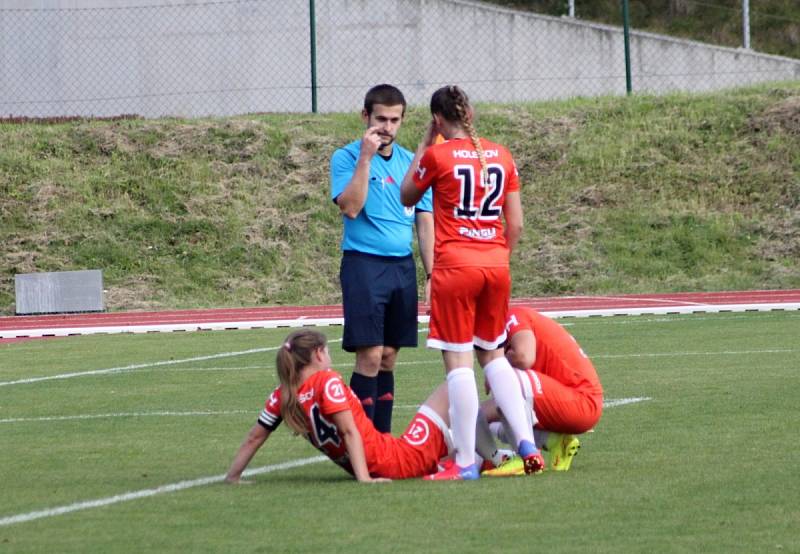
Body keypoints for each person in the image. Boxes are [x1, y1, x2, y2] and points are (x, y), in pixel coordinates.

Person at [400, 85, 541, 480]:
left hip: (455, 268)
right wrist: (497, 256)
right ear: (471, 114)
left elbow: (406, 195)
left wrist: (426, 142)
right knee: (492, 356)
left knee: (459, 363)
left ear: (438, 120)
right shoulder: (501, 154)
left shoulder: (437, 154)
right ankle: (526, 441)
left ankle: (464, 462)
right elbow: (516, 224)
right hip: (495, 266)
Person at [330, 84, 434, 434]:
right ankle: (360, 442)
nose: (387, 127)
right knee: (370, 355)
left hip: (401, 268)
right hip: (364, 264)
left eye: (394, 120)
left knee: (389, 356)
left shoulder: (410, 163)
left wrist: (432, 274)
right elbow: (351, 206)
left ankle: (383, 440)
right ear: (365, 117)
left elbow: (424, 220)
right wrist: (365, 158)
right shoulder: (345, 157)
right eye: (380, 119)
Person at [225, 329, 453, 483]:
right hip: (398, 459)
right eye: (327, 351)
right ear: (317, 354)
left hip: (378, 462)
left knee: (457, 409)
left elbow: (254, 438)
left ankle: (465, 450)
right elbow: (347, 430)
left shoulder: (282, 395)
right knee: (454, 385)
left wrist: (233, 477)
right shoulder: (327, 381)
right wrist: (365, 480)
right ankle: (476, 455)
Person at [480, 306, 604, 476]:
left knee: (505, 381)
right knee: (490, 410)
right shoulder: (508, 322)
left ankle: (523, 457)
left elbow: (524, 357)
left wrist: (497, 367)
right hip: (573, 400)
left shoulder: (512, 315)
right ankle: (555, 442)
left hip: (581, 401)